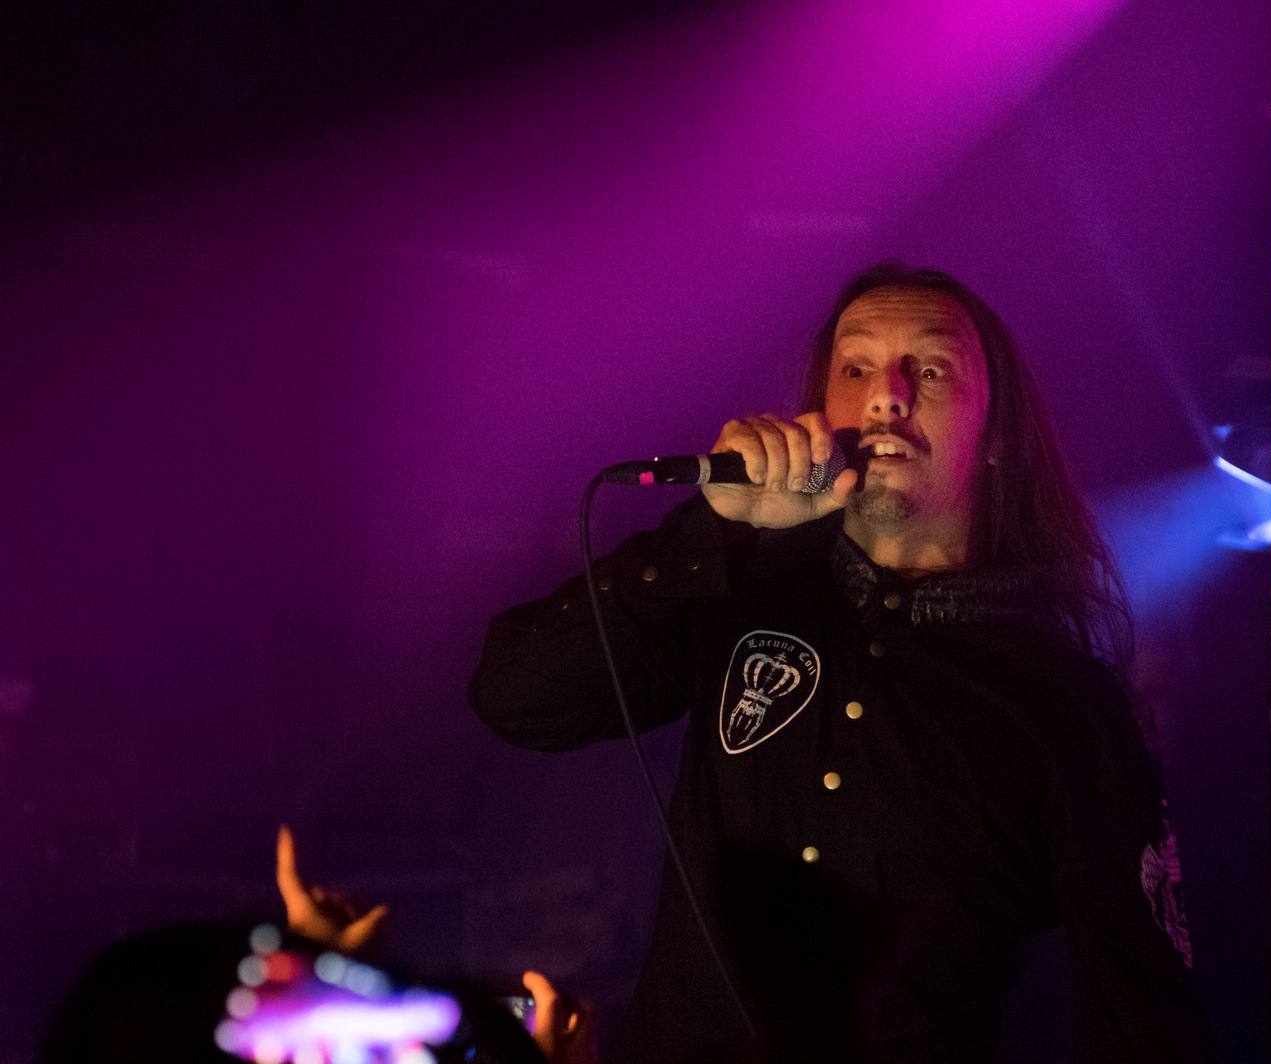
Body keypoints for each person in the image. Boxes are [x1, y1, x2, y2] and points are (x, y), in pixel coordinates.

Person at [468, 263, 1213, 1063]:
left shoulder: (1069, 704)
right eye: (856, 369)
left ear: (998, 437)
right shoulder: (736, 588)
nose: (887, 396)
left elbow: (1145, 1020)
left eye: (930, 371)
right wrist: (713, 528)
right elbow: (514, 696)